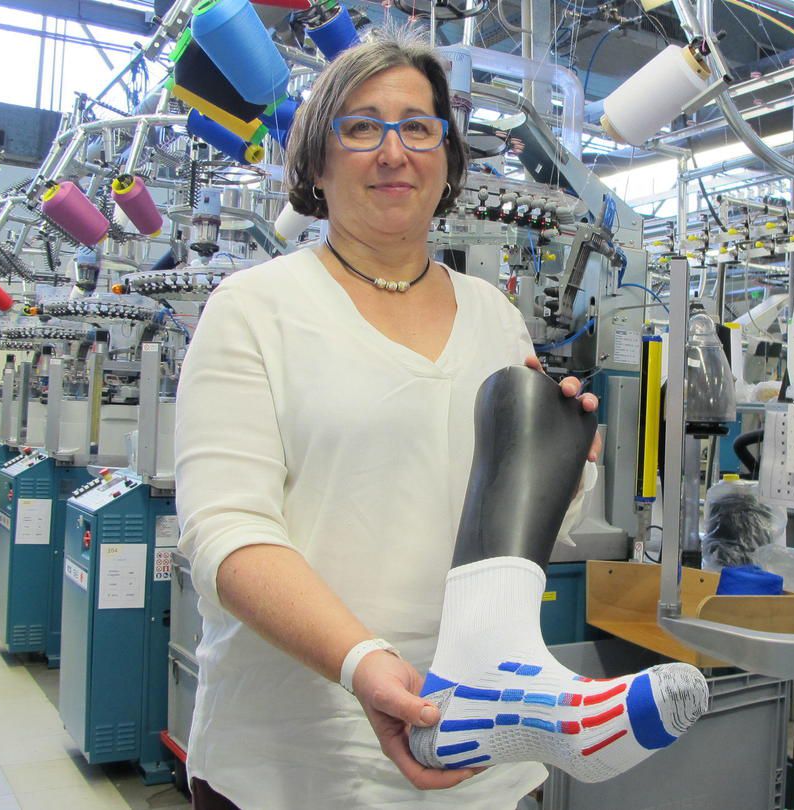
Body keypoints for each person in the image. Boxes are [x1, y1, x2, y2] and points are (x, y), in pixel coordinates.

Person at [174, 28, 601, 809]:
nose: (394, 151)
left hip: (481, 756)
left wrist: (568, 463)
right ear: (315, 161)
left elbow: (507, 531)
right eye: (362, 126)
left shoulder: (494, 316)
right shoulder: (254, 310)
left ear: (446, 157)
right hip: (296, 762)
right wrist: (362, 662)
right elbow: (225, 534)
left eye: (418, 126)